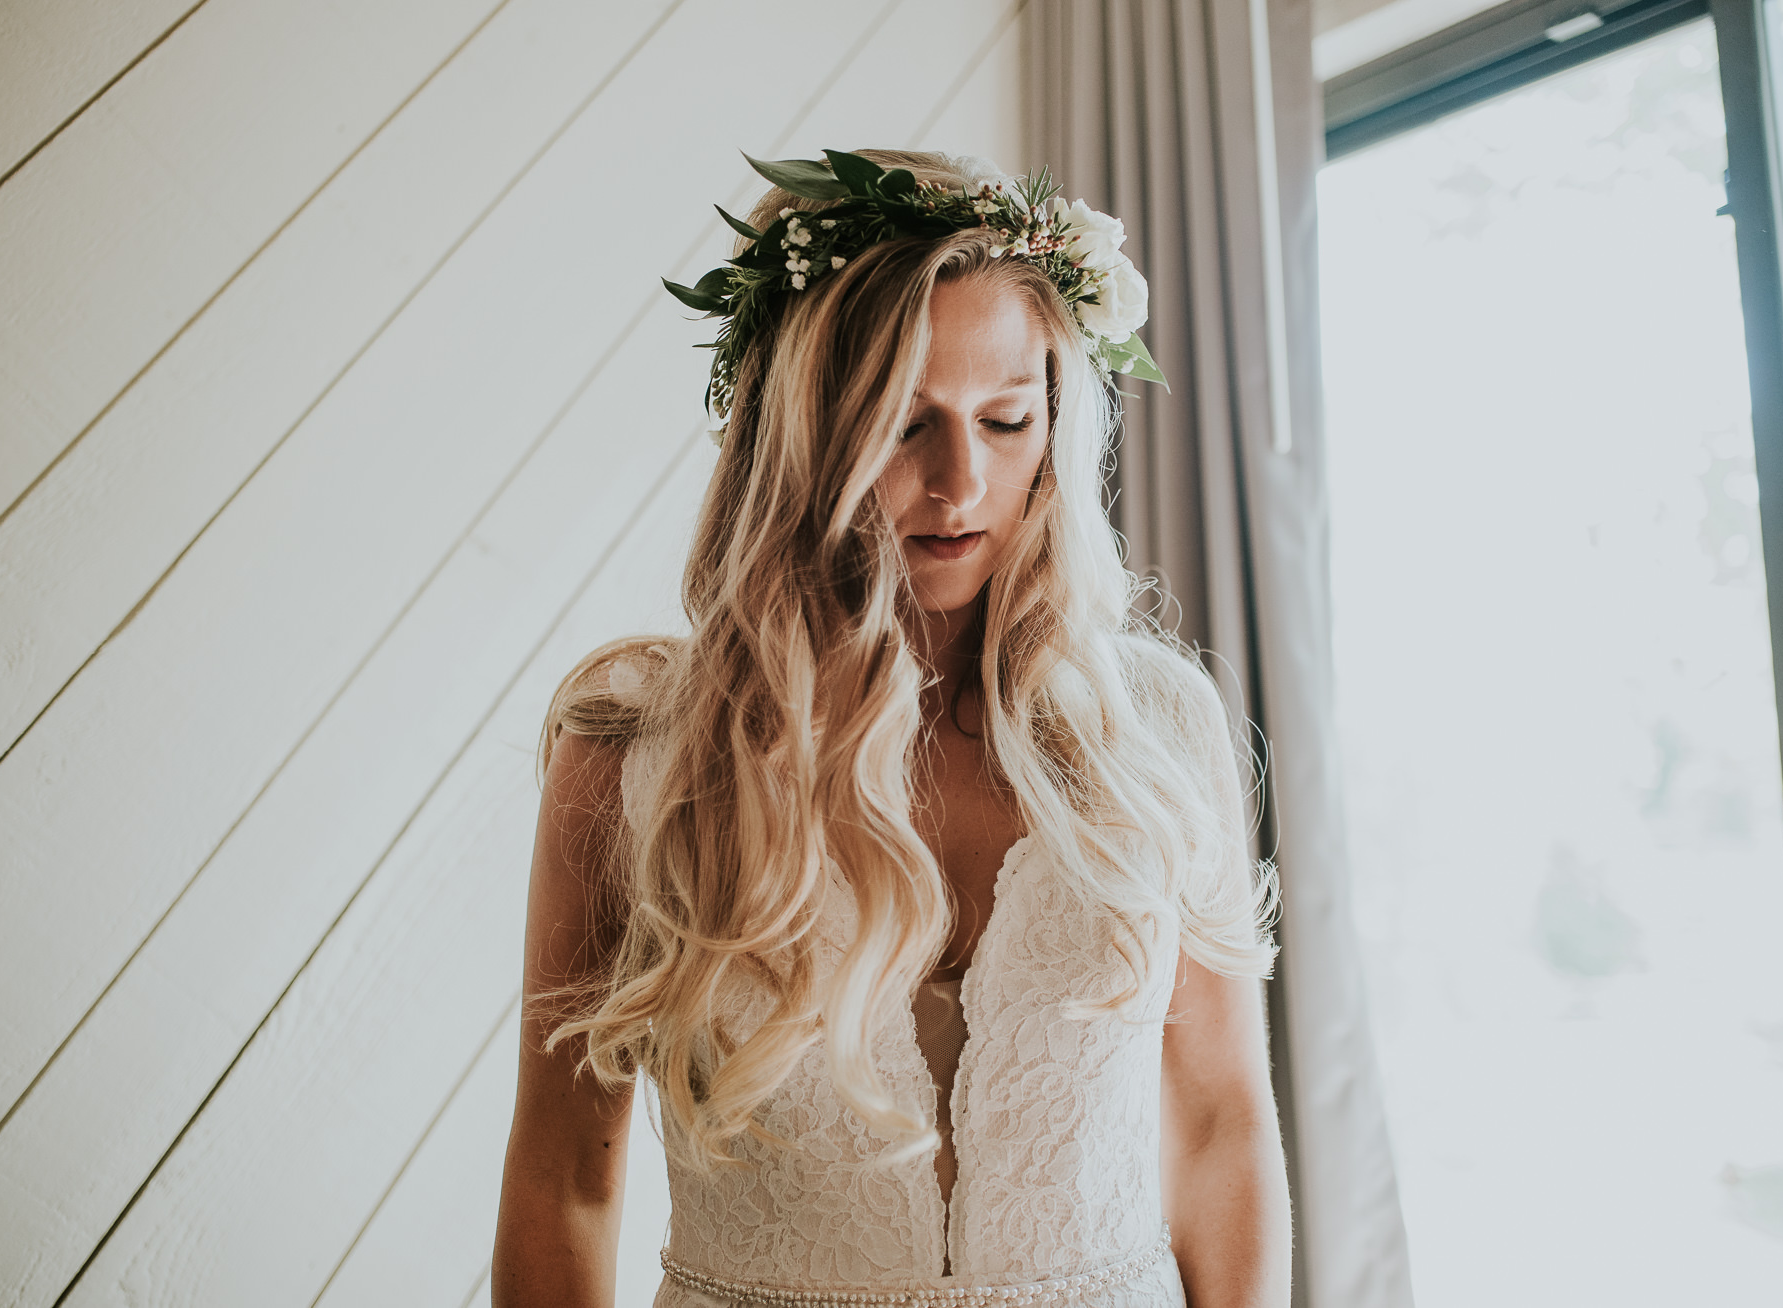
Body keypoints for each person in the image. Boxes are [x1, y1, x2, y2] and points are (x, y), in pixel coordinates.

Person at [492, 149, 1291, 1307]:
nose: (959, 480)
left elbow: (1221, 1122)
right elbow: (565, 1171)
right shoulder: (633, 753)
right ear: (799, 434)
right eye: (903, 422)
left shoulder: (1157, 725)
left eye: (1007, 419)